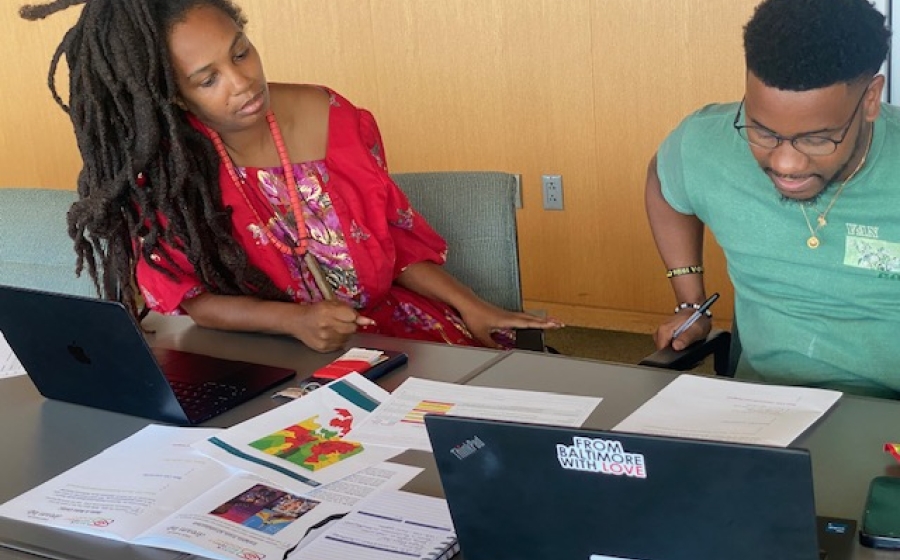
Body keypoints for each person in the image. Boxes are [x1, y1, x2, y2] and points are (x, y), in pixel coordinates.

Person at [21, 0, 560, 353]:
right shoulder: (166, 171)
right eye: (208, 79)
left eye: (241, 52)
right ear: (168, 93)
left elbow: (393, 240)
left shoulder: (333, 116)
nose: (243, 82)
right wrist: (293, 322)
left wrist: (473, 306)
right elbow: (193, 299)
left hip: (392, 333)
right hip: (262, 350)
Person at [645, 0, 898, 398]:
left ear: (870, 99)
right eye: (762, 132)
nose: (786, 164)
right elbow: (664, 183)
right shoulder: (708, 144)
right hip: (762, 411)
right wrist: (690, 302)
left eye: (817, 138)